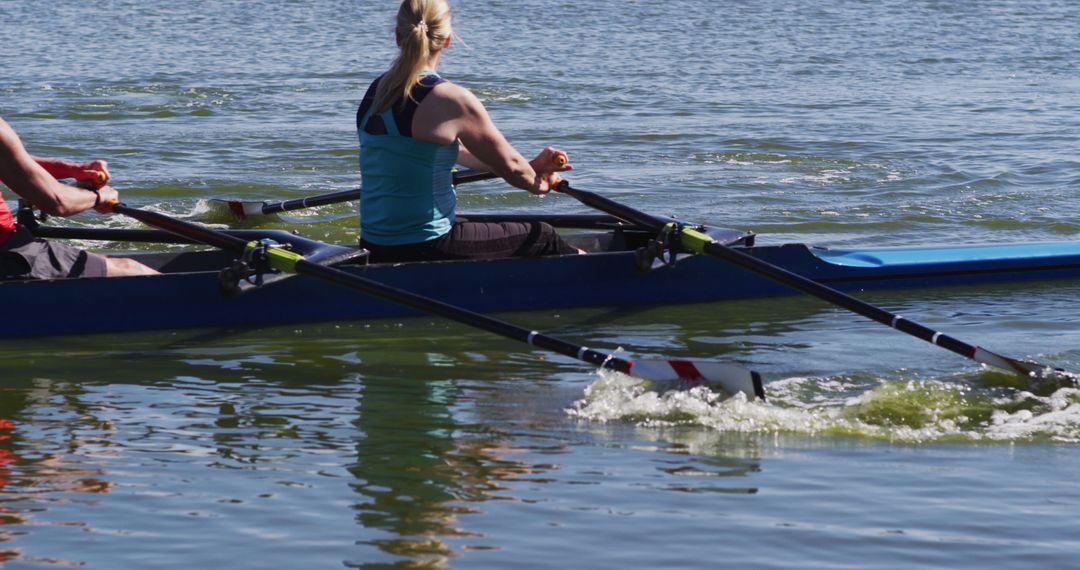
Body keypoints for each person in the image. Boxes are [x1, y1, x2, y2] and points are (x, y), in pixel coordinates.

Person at [356, 0, 582, 263]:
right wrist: (537, 182)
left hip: (374, 242)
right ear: (448, 40)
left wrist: (530, 166)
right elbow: (511, 167)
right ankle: (599, 276)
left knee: (478, 225)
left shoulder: (377, 90)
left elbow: (458, 153)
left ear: (397, 37)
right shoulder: (452, 99)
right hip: (426, 244)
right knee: (543, 235)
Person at [0, 117, 158, 278]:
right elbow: (58, 202)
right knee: (134, 270)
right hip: (9, 253)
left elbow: (10, 160)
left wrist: (73, 170)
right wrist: (100, 196)